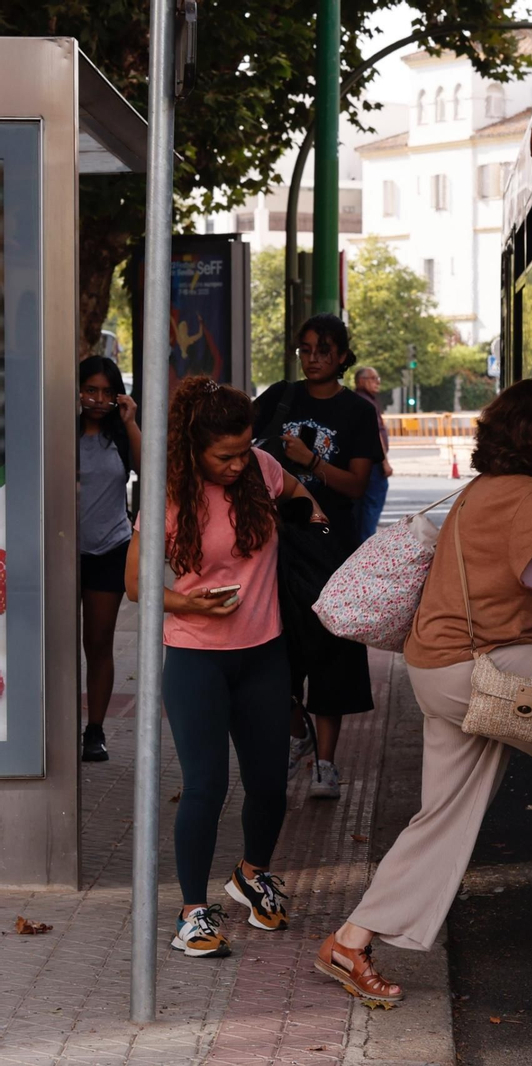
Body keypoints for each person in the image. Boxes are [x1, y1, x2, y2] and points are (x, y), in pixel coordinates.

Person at [315, 380, 532, 1006]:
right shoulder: (525, 495)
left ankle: (349, 940)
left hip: (442, 670)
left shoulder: (489, 490)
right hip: (480, 670)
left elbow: (522, 579)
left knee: (443, 816)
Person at [126, 377, 327, 958]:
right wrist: (187, 601)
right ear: (195, 448)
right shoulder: (168, 492)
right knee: (206, 786)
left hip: (265, 652)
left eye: (245, 449)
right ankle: (193, 910)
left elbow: (299, 497)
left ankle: (251, 874)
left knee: (269, 783)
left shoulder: (261, 468)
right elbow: (135, 583)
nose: (240, 463)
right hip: (195, 657)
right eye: (226, 455)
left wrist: (303, 518)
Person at [255, 315, 383, 800]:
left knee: (333, 652)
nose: (313, 358)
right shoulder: (279, 397)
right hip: (276, 544)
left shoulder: (356, 411)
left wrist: (310, 463)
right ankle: (297, 733)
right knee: (272, 647)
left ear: (343, 356)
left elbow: (356, 485)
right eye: (305, 349)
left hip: (331, 547)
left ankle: (325, 764)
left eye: (324, 350)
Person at [77, 356, 139, 762]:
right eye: (90, 390)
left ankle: (94, 731)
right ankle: (53, 725)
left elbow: (149, 469)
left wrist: (131, 420)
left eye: (106, 392)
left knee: (98, 643)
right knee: (55, 645)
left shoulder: (119, 435)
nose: (98, 400)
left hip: (109, 549)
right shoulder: (59, 430)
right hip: (60, 550)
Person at [352, 365, 392, 543]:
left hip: (359, 463)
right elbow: (375, 434)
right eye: (373, 378)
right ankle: (365, 547)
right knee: (370, 509)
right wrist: (385, 462)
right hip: (372, 465)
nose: (377, 383)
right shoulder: (366, 403)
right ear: (361, 381)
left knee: (361, 511)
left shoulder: (357, 400)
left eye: (378, 379)